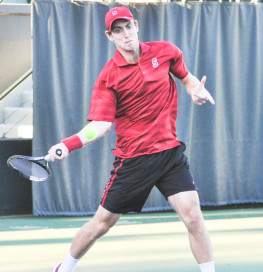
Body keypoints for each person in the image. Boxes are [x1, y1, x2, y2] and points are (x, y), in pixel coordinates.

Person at [50, 6, 216, 272]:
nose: (125, 34)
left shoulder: (165, 52)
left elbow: (186, 78)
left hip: (169, 153)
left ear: (136, 25)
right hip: (133, 160)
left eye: (128, 26)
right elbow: (102, 124)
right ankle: (64, 267)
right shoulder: (108, 77)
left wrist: (194, 90)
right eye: (118, 30)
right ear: (110, 36)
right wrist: (68, 144)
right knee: (102, 224)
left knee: (194, 217)